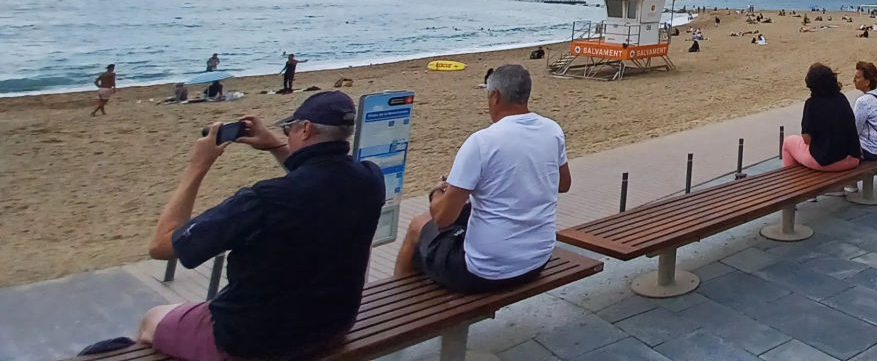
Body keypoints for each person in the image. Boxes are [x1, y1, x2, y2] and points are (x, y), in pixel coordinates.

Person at [130, 92, 384, 361]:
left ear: (306, 129)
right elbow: (318, 178)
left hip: (253, 341)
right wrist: (275, 144)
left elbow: (162, 246)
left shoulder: (263, 200)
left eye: (289, 129)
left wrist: (197, 166)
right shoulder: (370, 178)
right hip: (332, 325)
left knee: (152, 319)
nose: (286, 135)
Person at [396, 65, 570, 291]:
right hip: (537, 260)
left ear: (495, 96)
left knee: (418, 225)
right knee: (469, 215)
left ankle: (398, 298)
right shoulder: (552, 130)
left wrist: (438, 192)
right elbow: (564, 184)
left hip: (484, 271)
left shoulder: (482, 142)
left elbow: (442, 218)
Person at [780, 63, 861, 171]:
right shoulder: (842, 98)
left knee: (788, 142)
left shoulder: (812, 104)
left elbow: (806, 139)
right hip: (853, 159)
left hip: (828, 162)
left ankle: (791, 179)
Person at [852, 61, 877, 162]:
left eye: (857, 77)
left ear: (867, 82)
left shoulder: (863, 101)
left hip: (870, 150)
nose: (854, 80)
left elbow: (854, 130)